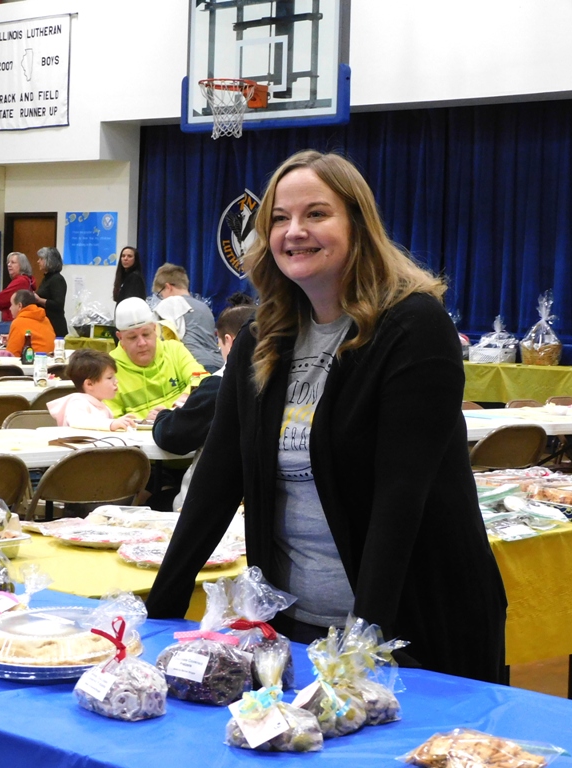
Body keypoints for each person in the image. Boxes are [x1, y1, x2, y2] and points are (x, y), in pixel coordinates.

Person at [146, 150, 507, 683]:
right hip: (294, 625)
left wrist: (361, 646)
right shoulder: (262, 338)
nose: (295, 231)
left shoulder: (412, 326)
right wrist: (160, 611)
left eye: (316, 213)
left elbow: (400, 498)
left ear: (358, 224)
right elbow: (216, 482)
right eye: (279, 218)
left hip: (412, 628)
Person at [153, 304, 255, 510]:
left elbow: (172, 437)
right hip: (259, 502)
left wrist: (163, 415)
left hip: (211, 505)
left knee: (153, 498)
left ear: (229, 341)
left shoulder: (220, 387)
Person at [105, 297, 208, 420]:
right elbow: (110, 420)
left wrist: (183, 400)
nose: (142, 343)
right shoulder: (108, 369)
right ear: (120, 338)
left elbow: (203, 378)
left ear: (155, 329)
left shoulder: (174, 350)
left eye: (146, 334)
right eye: (132, 337)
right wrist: (145, 423)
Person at [152, 263, 224, 372]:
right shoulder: (204, 307)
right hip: (218, 365)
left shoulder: (170, 303)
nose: (161, 298)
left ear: (168, 287)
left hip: (193, 365)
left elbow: (157, 337)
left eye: (160, 294)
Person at [46, 349, 138, 431]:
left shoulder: (102, 406)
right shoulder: (77, 402)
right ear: (89, 384)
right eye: (109, 378)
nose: (116, 381)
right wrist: (111, 424)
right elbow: (79, 421)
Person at [5, 289, 54, 356]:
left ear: (19, 306)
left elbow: (11, 355)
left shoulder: (18, 323)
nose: (10, 308)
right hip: (50, 360)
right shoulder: (45, 319)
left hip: (32, 361)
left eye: (11, 304)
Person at [0, 252, 33, 335]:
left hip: (13, 321)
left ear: (22, 265)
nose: (9, 265)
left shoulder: (21, 281)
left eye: (13, 262)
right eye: (8, 262)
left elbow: (0, 300)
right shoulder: (25, 280)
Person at [32, 246, 68, 337]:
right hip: (46, 325)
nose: (38, 261)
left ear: (50, 261)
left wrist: (39, 300)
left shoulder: (57, 279)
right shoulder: (46, 279)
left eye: (41, 259)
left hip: (55, 326)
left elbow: (58, 304)